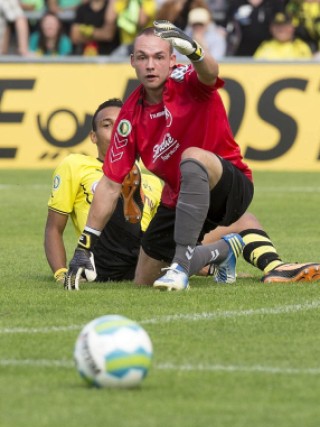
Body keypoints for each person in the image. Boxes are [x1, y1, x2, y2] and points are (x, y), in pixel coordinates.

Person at [65, 22, 320, 290]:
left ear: (172, 59)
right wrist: (85, 246)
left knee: (193, 157)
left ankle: (181, 267)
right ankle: (222, 251)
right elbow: (109, 184)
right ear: (132, 62)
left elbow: (210, 74)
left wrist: (196, 52)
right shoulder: (129, 118)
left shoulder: (186, 79)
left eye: (158, 57)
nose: (150, 65)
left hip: (228, 185)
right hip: (180, 200)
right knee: (144, 280)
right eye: (143, 58)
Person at [45, 98, 163, 284]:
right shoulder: (76, 165)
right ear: (93, 136)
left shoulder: (153, 182)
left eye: (123, 125)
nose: (117, 131)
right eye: (107, 125)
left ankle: (217, 256)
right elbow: (54, 227)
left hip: (142, 262)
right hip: (103, 258)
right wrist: (61, 274)